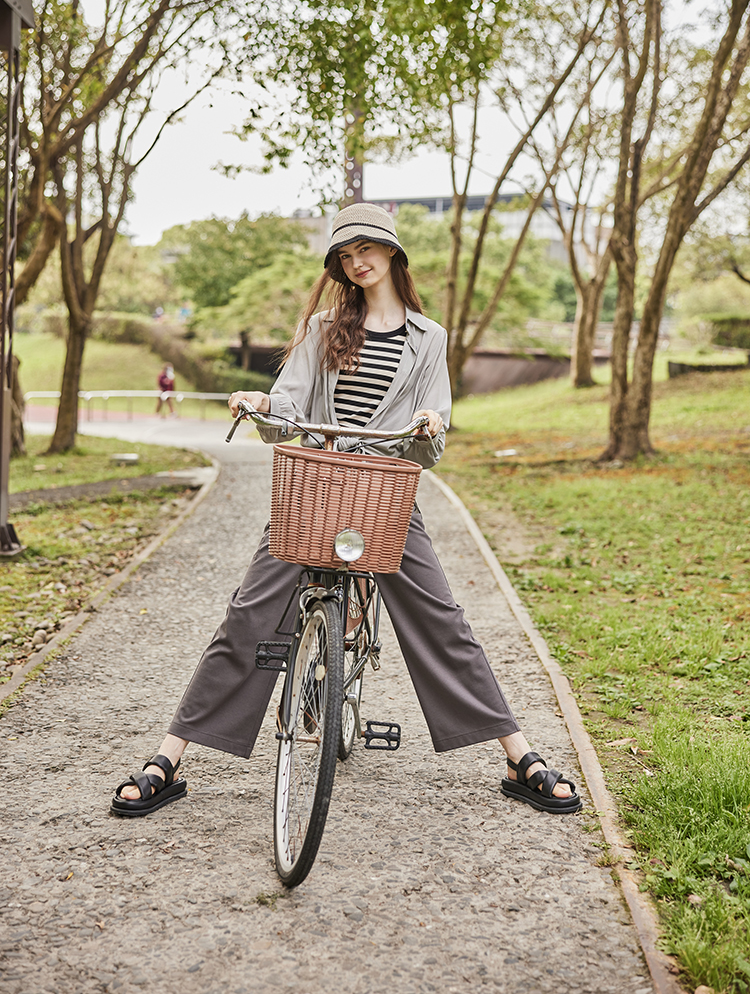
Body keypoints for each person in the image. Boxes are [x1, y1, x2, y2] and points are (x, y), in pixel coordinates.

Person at [112, 203, 581, 817]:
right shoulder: (323, 327)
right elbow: (286, 409)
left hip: (385, 491)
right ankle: (169, 758)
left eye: (367, 249)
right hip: (315, 489)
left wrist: (431, 422)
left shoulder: (429, 338)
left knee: (443, 622)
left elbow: (432, 442)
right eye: (345, 255)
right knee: (248, 616)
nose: (357, 262)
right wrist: (260, 401)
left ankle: (520, 756)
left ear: (391, 252)